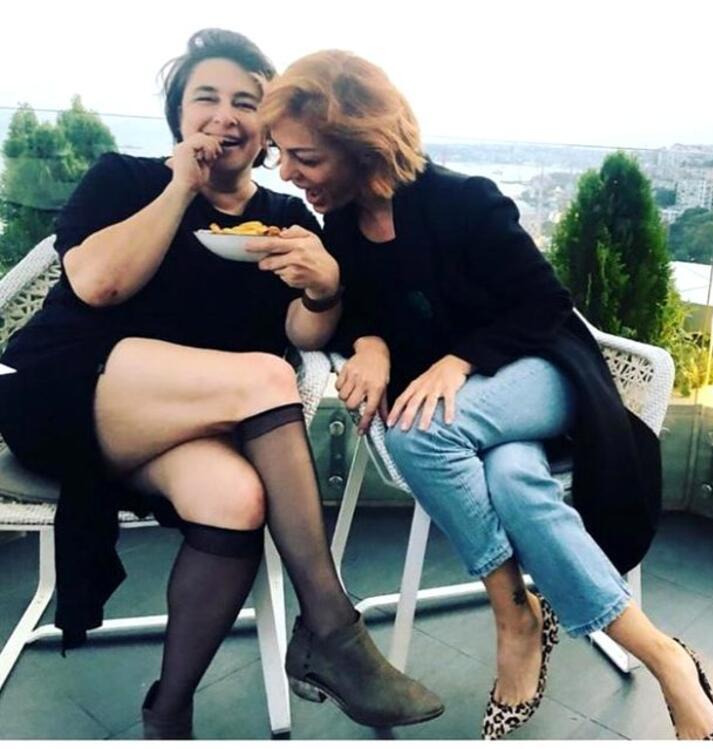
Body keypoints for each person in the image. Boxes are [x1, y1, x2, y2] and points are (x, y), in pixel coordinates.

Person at [258, 50, 713, 741]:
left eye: (305, 157)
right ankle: (668, 659)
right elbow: (368, 308)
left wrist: (459, 362)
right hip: (486, 416)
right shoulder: (344, 226)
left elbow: (547, 304)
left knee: (419, 431)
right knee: (513, 480)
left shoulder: (464, 201)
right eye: (283, 155)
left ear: (363, 143)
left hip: (544, 372)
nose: (287, 173)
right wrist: (372, 345)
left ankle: (514, 618)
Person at [0, 31, 443, 739]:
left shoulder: (287, 219)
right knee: (264, 375)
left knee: (238, 499)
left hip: (184, 424)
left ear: (269, 129)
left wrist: (324, 289)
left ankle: (169, 709)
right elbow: (97, 283)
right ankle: (331, 627)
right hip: (64, 393)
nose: (225, 116)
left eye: (246, 102)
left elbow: (303, 336)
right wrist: (182, 185)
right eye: (206, 97)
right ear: (180, 113)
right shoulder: (124, 179)